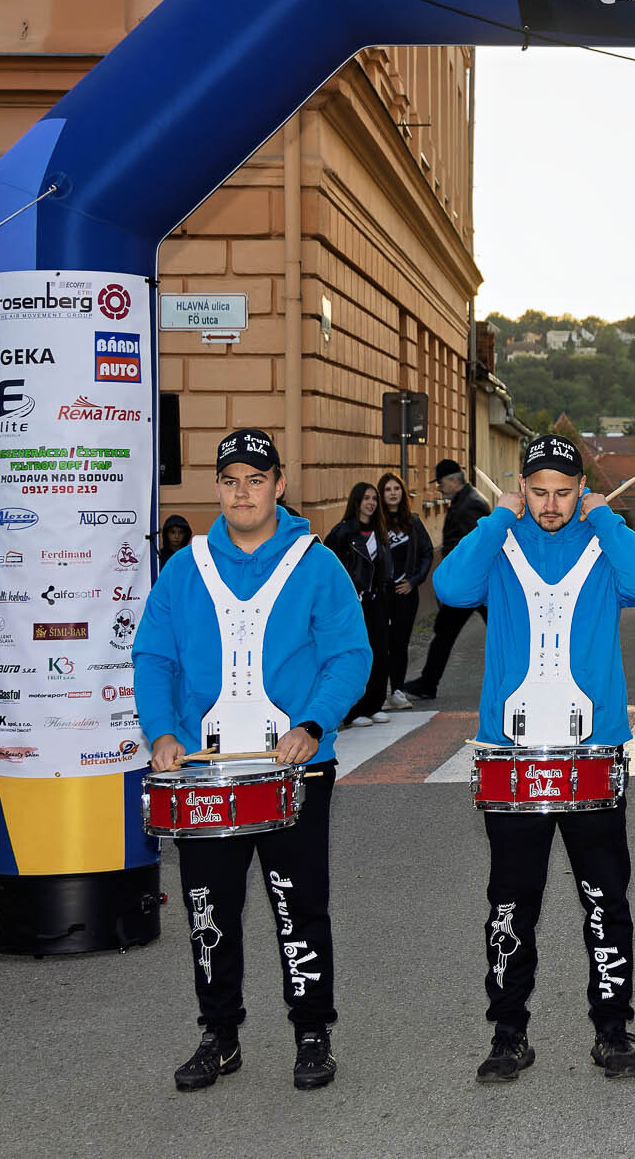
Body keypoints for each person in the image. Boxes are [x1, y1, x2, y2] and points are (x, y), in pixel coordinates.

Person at [135, 429, 371, 1092]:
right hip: (205, 774)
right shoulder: (184, 569)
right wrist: (162, 732)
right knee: (208, 909)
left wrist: (313, 722)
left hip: (295, 769)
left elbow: (349, 656)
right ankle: (220, 1035)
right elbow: (153, 656)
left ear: (278, 485)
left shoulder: (317, 564)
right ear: (217, 488)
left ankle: (312, 1032)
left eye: (256, 480)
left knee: (299, 907)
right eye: (231, 480)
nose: (243, 492)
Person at [432, 434, 635, 1083]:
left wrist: (604, 516)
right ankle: (509, 1033)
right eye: (539, 491)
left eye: (564, 492)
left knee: (604, 899)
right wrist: (497, 518)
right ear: (522, 487)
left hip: (593, 751)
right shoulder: (501, 541)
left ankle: (612, 1030)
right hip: (513, 755)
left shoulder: (602, 543)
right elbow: (450, 587)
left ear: (581, 489)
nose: (551, 504)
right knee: (511, 902)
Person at [404, 459, 492, 701]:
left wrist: (454, 583)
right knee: (453, 632)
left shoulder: (470, 505)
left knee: (446, 633)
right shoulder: (467, 500)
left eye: (441, 482)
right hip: (472, 585)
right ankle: (427, 683)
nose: (439, 487)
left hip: (469, 586)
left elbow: (473, 550)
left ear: (454, 480)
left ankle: (427, 684)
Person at [325, 482, 395, 728]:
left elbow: (384, 569)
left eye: (374, 498)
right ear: (356, 501)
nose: (371, 503)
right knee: (357, 654)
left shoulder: (380, 531)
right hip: (353, 603)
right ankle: (354, 710)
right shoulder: (342, 532)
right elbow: (330, 569)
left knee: (380, 653)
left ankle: (375, 704)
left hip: (377, 601)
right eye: (366, 498)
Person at [378, 472, 434, 710]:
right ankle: (379, 694)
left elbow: (427, 553)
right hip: (381, 595)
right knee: (381, 644)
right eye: (388, 489)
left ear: (402, 493)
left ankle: (397, 691)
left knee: (400, 643)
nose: (392, 493)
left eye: (396, 489)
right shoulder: (375, 523)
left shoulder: (413, 522)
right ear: (381, 494)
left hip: (406, 594)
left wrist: (414, 581)